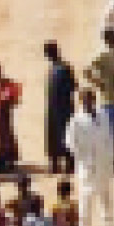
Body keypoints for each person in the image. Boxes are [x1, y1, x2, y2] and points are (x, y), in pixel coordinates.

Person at [63, 92, 114, 226]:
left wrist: (110, 157)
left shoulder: (102, 115)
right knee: (86, 195)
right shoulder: (76, 121)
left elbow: (109, 137)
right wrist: (81, 155)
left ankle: (108, 222)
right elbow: (69, 142)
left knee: (105, 193)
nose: (88, 103)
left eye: (90, 100)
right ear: (81, 102)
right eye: (85, 101)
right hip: (87, 163)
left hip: (103, 161)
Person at [84, 29, 114, 157]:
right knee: (108, 132)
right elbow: (87, 71)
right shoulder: (102, 54)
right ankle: (108, 158)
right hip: (107, 99)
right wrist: (99, 83)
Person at [42, 42, 77, 175]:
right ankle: (55, 164)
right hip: (54, 108)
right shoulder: (55, 69)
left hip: (64, 108)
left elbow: (73, 87)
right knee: (54, 136)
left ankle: (69, 164)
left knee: (65, 135)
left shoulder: (64, 68)